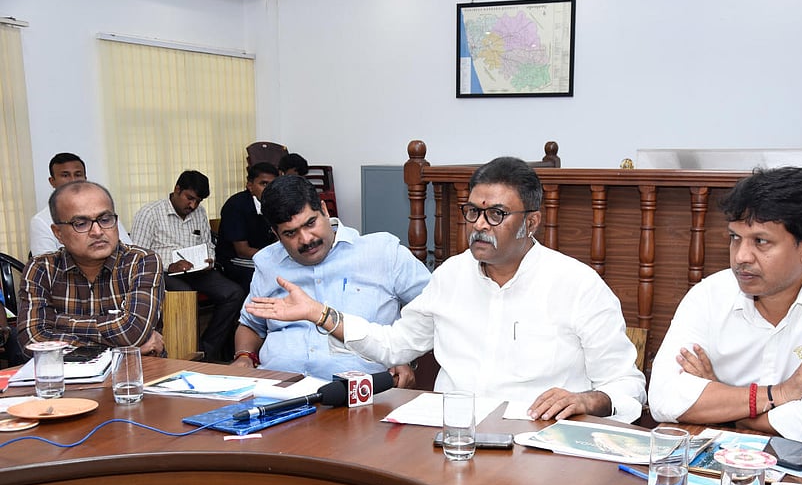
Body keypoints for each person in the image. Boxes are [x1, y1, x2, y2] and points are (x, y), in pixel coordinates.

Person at [245, 157, 647, 422]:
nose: (480, 225)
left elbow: (628, 388)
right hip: (448, 440)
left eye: (497, 214)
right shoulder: (451, 276)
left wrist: (587, 400)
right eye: (473, 211)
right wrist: (321, 314)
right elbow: (395, 346)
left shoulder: (577, 285)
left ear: (533, 222)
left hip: (537, 445)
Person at [648, 167, 802, 445]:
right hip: (732, 461)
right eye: (735, 238)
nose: (741, 256)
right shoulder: (709, 294)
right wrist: (779, 394)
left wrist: (723, 408)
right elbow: (663, 400)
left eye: (761, 241)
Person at [232, 175, 430, 385]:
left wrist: (401, 354)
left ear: (325, 211)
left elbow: (434, 309)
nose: (306, 239)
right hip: (276, 389)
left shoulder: (382, 253)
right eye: (290, 233)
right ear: (276, 234)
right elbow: (251, 325)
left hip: (359, 394)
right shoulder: (268, 262)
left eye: (310, 223)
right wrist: (245, 356)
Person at [18, 181, 164, 355]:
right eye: (81, 223)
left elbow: (132, 332)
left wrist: (58, 321)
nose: (97, 231)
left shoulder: (141, 261)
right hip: (66, 377)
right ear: (58, 233)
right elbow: (32, 340)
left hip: (136, 374)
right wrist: (117, 350)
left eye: (105, 219)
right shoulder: (42, 268)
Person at [131, 170, 243, 362]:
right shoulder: (150, 213)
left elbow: (208, 243)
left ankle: (207, 350)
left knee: (234, 293)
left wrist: (209, 259)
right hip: (162, 272)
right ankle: (188, 351)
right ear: (177, 190)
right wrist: (169, 266)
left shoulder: (199, 212)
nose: (193, 205)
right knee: (184, 292)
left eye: (198, 201)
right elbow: (138, 255)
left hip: (196, 270)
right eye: (189, 198)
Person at [29, 152, 133, 256]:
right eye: (65, 175)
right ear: (52, 181)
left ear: (85, 178)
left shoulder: (104, 212)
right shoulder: (41, 221)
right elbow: (46, 265)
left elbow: (128, 251)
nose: (73, 180)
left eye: (78, 175)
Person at [216, 162, 279, 293]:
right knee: (270, 274)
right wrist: (274, 257)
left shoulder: (276, 204)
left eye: (273, 185)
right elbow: (242, 251)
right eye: (264, 184)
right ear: (250, 186)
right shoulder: (235, 206)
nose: (269, 189)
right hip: (234, 260)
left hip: (262, 254)